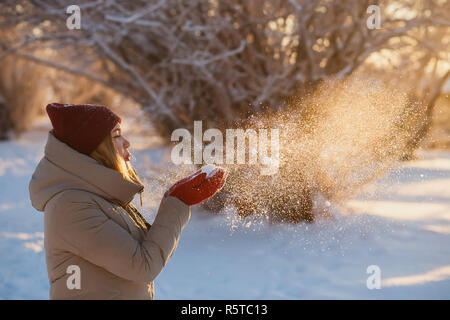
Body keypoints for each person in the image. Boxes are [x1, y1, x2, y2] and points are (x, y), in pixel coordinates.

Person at [29, 103, 226, 300]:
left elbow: (143, 249)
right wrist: (178, 201)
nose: (126, 142)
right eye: (116, 135)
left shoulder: (100, 197)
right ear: (95, 148)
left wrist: (172, 200)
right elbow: (143, 265)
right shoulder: (71, 206)